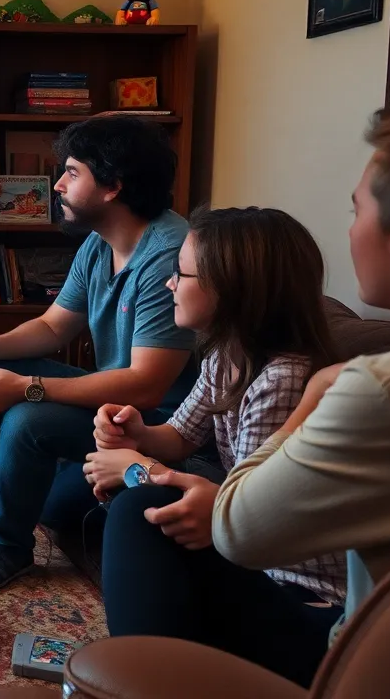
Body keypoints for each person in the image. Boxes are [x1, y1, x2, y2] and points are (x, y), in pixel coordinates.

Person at [0, 114, 197, 592]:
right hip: (110, 400)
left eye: (71, 172)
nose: (57, 185)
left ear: (112, 186)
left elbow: (147, 385)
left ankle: (9, 546)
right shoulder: (100, 242)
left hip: (153, 422)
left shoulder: (165, 256)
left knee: (27, 418)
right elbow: (53, 326)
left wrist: (26, 388)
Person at [213, 90, 390, 653]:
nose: (349, 231)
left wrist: (315, 395)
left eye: (356, 211)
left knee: (138, 526)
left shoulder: (385, 389)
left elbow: (236, 528)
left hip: (363, 664)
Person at [85, 207, 346, 688]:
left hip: (304, 597)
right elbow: (181, 436)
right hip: (254, 563)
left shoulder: (283, 380)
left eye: (181, 274)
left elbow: (245, 515)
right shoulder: (226, 354)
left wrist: (137, 468)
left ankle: (142, 679)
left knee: (137, 509)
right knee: (101, 502)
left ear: (233, 290)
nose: (169, 284)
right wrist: (137, 434)